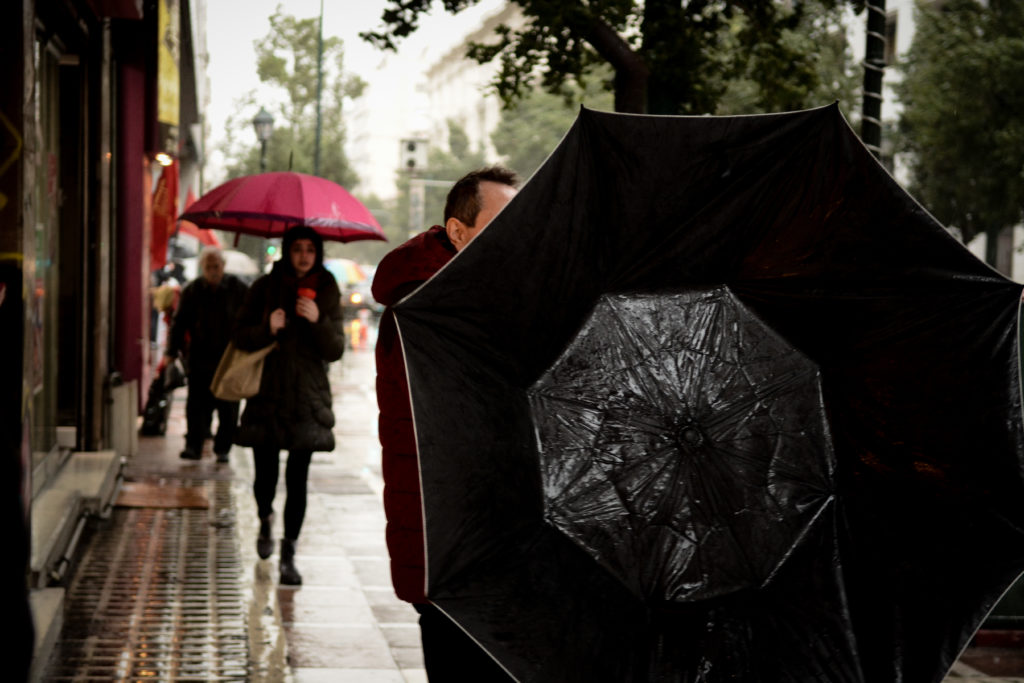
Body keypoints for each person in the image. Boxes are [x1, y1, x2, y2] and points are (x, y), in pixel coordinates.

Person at [373, 166, 519, 681]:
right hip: (450, 536)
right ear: (458, 232)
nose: (515, 235)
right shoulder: (428, 306)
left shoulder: (475, 294)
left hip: (480, 531)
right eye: (502, 222)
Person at [232, 226, 345, 585]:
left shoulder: (327, 289)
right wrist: (267, 326)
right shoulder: (265, 288)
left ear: (318, 253)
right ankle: (265, 517)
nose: (303, 255)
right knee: (265, 474)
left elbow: (335, 349)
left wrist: (318, 320)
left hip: (307, 397)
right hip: (267, 392)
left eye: (310, 249)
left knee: (298, 479)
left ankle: (289, 554)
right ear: (286, 251)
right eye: (297, 248)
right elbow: (239, 335)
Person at [164, 247, 248, 462]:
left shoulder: (237, 289)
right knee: (197, 407)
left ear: (223, 266)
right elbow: (179, 323)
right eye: (209, 267)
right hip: (200, 358)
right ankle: (194, 446)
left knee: (228, 408)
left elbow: (250, 318)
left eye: (216, 266)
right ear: (203, 268)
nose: (213, 271)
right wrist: (172, 353)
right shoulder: (193, 290)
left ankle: (223, 448)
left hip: (229, 359)